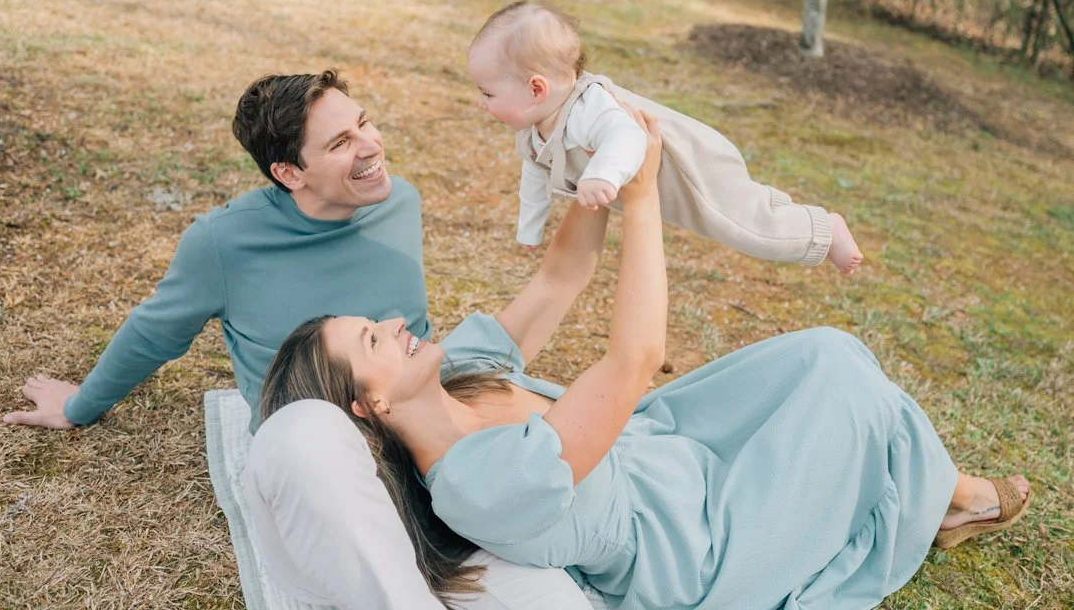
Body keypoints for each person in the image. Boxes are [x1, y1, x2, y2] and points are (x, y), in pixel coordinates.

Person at [256, 108, 1030, 609]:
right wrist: (642, 198)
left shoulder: (455, 369)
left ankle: (945, 495)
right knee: (855, 396)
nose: (395, 323)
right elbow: (635, 358)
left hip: (669, 443)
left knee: (830, 354)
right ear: (371, 405)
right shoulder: (477, 486)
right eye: (373, 340)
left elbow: (560, 278)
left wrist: (593, 171)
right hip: (701, 544)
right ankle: (952, 497)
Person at [4, 70, 592, 610]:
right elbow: (155, 333)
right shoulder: (223, 243)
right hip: (331, 459)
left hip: (426, 439)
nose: (370, 146)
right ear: (289, 173)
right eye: (339, 143)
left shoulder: (397, 201)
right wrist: (81, 405)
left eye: (363, 123)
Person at [467, 0, 864, 274]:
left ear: (536, 89)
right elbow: (534, 179)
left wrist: (602, 174)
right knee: (749, 204)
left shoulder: (589, 106)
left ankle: (825, 231)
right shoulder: (535, 131)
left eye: (488, 94)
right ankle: (780, 208)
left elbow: (626, 137)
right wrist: (529, 229)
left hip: (692, 171)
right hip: (669, 189)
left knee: (747, 230)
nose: (481, 103)